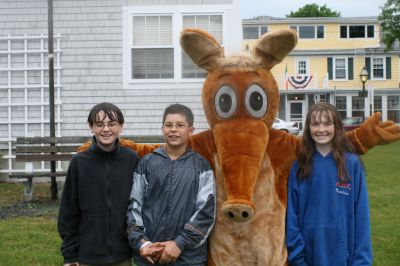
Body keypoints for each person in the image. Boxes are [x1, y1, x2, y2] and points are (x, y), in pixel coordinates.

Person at [126, 103, 216, 265]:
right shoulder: (147, 163)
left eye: (180, 125)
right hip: (150, 255)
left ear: (191, 130)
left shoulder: (202, 166)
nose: (173, 129)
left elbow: (206, 212)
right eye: (169, 125)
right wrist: (143, 243)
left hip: (188, 258)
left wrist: (180, 243)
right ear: (162, 129)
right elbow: (134, 207)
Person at [286, 102, 373, 265]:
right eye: (315, 124)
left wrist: (361, 261)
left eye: (327, 124)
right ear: (308, 128)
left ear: (337, 127)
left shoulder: (352, 165)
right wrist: (298, 258)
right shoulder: (299, 168)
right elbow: (292, 218)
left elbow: (362, 217)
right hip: (308, 258)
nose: (321, 130)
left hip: (344, 258)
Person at [58, 102, 140, 266]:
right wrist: (69, 256)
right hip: (88, 255)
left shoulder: (131, 159)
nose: (106, 129)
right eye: (99, 124)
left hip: (122, 255)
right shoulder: (79, 162)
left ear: (121, 126)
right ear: (91, 127)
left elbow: (139, 205)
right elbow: (68, 211)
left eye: (112, 124)